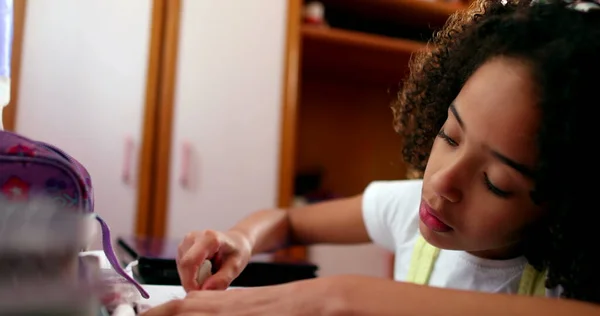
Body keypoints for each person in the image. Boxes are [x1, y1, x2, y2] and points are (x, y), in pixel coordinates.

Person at [142, 0, 599, 314]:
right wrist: (241, 238)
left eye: (496, 182)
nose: (440, 184)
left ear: (565, 205)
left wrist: (340, 298)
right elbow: (289, 221)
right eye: (450, 135)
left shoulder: (566, 290)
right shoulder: (407, 207)